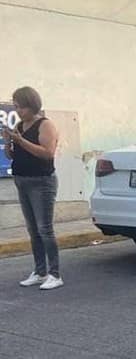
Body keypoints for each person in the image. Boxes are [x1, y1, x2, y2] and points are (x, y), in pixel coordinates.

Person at [1, 87, 63, 290]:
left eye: (20, 106)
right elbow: (13, 156)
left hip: (41, 182)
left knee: (45, 229)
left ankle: (55, 274)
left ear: (31, 105)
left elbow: (47, 153)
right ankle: (39, 271)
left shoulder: (45, 125)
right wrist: (10, 143)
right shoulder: (20, 125)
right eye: (16, 106)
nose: (17, 111)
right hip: (22, 180)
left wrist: (21, 140)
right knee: (32, 229)